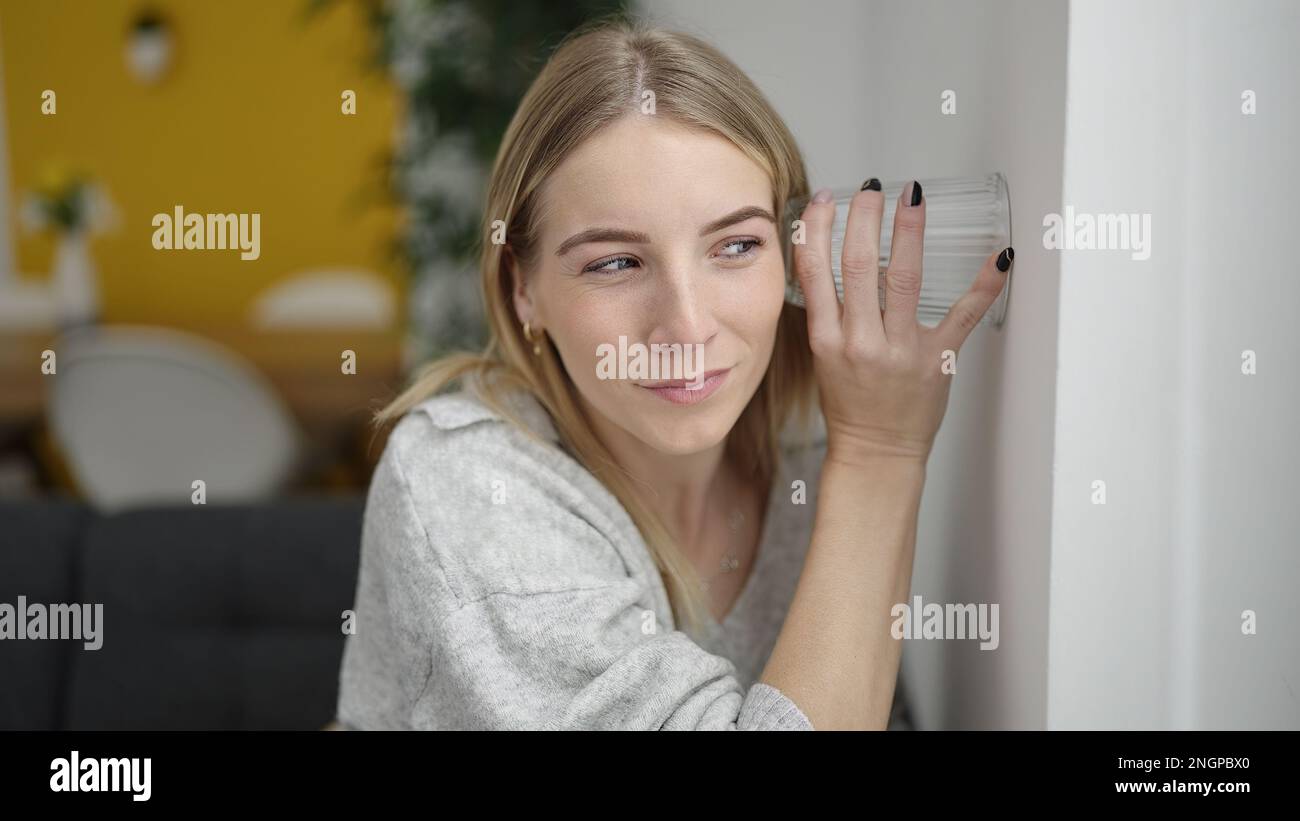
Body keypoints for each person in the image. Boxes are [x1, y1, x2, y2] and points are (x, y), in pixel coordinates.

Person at [335, 17, 1012, 730]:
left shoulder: (807, 483)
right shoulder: (465, 484)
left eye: (736, 245)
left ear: (795, 264)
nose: (686, 327)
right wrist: (881, 456)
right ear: (521, 288)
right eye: (616, 263)